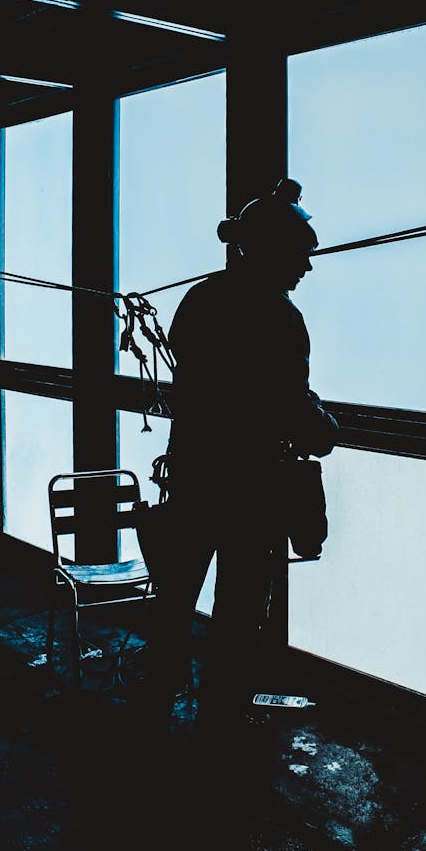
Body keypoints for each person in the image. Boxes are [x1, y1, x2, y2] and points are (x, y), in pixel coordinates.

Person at [135, 178, 338, 732]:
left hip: (196, 475)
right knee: (240, 609)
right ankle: (221, 719)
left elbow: (201, 384)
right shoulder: (279, 317)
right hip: (251, 489)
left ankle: (155, 701)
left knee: (176, 598)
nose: (306, 268)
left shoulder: (200, 299)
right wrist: (323, 426)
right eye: (301, 255)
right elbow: (288, 405)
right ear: (274, 250)